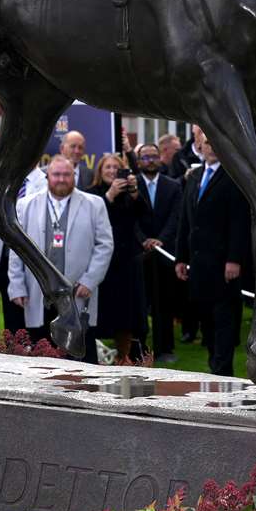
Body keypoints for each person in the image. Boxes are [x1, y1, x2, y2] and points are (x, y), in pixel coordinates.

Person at [8, 157, 113, 348]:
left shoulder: (94, 204)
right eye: (56, 174)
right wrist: (17, 285)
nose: (62, 179)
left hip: (78, 290)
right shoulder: (25, 205)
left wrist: (90, 280)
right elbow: (17, 249)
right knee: (41, 351)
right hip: (38, 291)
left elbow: (104, 245)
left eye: (67, 174)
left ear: (74, 176)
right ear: (47, 176)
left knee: (80, 352)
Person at [173, 131, 252, 376]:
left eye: (218, 142)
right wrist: (181, 257)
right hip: (199, 263)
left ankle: (223, 371)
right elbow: (185, 221)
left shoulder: (234, 177)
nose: (213, 147)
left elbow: (239, 223)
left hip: (224, 264)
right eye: (208, 142)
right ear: (200, 145)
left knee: (224, 319)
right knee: (205, 318)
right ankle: (213, 365)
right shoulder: (195, 176)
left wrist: (234, 259)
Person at [88, 153, 147, 361]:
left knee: (127, 314)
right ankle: (98, 355)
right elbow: (91, 220)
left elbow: (146, 216)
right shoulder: (93, 194)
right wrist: (109, 197)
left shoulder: (129, 194)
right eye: (108, 167)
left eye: (116, 168)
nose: (112, 171)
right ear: (100, 171)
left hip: (127, 261)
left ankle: (125, 357)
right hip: (104, 261)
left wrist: (134, 193)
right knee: (102, 313)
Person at [134, 142, 184, 362]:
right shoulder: (131, 185)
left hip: (165, 252)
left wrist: (161, 240)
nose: (150, 160)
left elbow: (176, 217)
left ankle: (165, 348)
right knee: (139, 302)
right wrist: (143, 240)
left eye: (154, 156)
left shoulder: (172, 186)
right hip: (139, 251)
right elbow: (130, 218)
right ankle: (139, 348)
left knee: (164, 302)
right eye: (145, 157)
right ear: (138, 162)